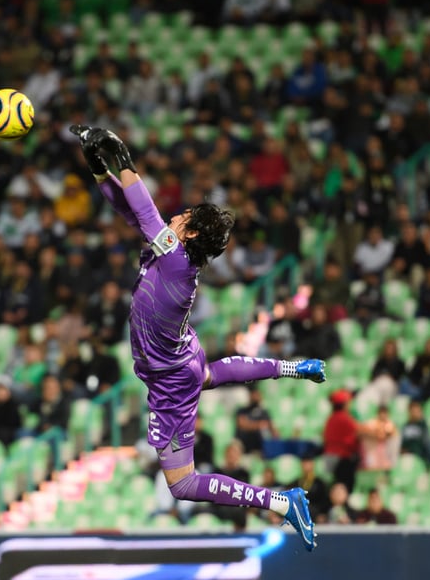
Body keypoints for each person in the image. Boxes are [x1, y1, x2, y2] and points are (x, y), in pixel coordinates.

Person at [72, 125, 325, 551]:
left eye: (184, 215)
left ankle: (284, 502)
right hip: (182, 355)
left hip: (169, 377)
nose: (177, 215)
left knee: (183, 483)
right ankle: (289, 367)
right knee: (205, 375)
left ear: (187, 233)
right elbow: (129, 210)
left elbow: (144, 207)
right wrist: (101, 169)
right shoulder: (176, 258)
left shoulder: (173, 258)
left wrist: (123, 157)